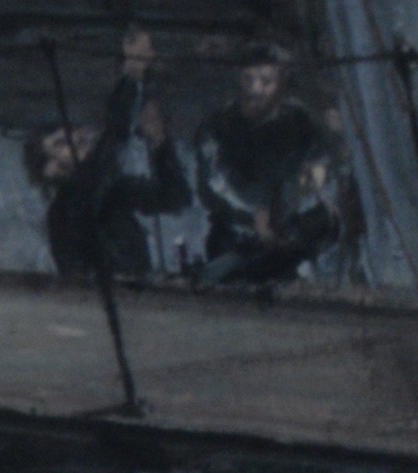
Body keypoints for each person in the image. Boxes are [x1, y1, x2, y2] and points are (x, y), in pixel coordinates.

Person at [24, 22, 187, 285]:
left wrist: (159, 143)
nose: (76, 138)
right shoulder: (68, 207)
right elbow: (111, 146)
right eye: (60, 143)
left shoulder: (112, 191)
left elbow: (174, 198)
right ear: (51, 170)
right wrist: (132, 74)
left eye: (72, 132)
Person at [192, 40, 342, 286]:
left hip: (284, 248)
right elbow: (213, 182)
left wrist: (311, 191)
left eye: (266, 81)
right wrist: (254, 213)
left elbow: (319, 165)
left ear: (282, 83)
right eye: (248, 79)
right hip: (232, 246)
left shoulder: (299, 121)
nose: (256, 89)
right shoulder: (217, 126)